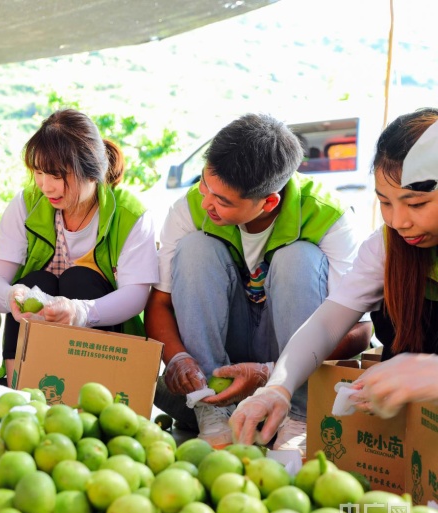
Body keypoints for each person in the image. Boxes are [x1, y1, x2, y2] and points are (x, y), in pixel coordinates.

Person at [147, 113, 372, 450]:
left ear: (268, 202)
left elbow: (360, 331)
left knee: (298, 257)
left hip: (291, 369)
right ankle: (211, 407)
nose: (207, 203)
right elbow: (159, 304)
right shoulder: (189, 209)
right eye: (205, 185)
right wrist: (178, 358)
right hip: (221, 368)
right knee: (194, 249)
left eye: (223, 201)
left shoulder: (330, 218)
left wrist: (273, 373)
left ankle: (297, 417)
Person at [231, 108, 438, 446]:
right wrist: (279, 387)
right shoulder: (386, 248)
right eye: (385, 202)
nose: (399, 221)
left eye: (416, 204)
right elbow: (327, 323)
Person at [0, 109, 159, 383]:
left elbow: (135, 296)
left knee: (80, 279)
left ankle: (91, 386)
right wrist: (11, 296)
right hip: (35, 347)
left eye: (57, 175)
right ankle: (19, 386)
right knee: (34, 284)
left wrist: (80, 312)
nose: (46, 187)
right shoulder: (27, 204)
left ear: (92, 172)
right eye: (39, 172)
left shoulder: (129, 213)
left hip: (105, 350)